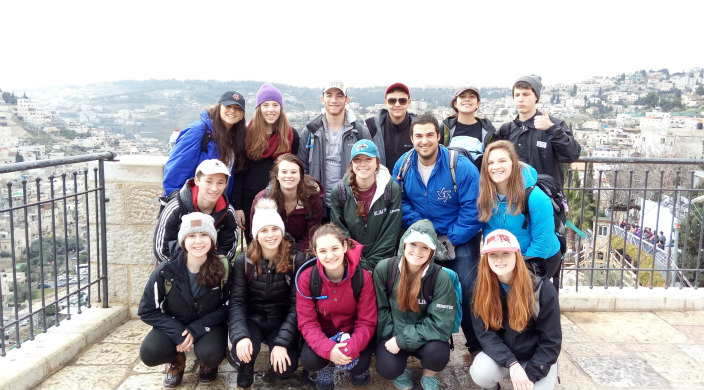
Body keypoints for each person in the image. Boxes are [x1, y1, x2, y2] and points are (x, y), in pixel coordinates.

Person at [392, 113, 483, 353]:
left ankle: (476, 344)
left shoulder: (459, 166)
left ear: (439, 137)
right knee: (418, 284)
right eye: (419, 135)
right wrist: (424, 230)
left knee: (466, 285)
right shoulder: (403, 165)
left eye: (429, 135)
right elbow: (400, 201)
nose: (424, 141)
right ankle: (431, 340)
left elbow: (474, 209)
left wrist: (450, 239)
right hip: (423, 236)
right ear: (411, 138)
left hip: (459, 236)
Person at [138, 212, 230, 388]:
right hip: (176, 323)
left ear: (212, 239)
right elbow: (147, 310)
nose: (198, 241)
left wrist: (197, 329)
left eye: (204, 235)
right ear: (183, 241)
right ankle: (176, 358)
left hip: (208, 324)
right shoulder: (166, 271)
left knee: (210, 354)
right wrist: (177, 332)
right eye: (192, 236)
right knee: (150, 353)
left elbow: (228, 305)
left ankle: (207, 363)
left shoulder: (223, 267)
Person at [228, 198, 307, 388]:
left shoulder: (296, 260)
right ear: (256, 235)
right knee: (243, 351)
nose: (270, 235)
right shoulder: (244, 262)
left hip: (281, 319)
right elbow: (237, 302)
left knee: (285, 369)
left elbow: (298, 306)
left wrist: (281, 342)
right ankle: (246, 365)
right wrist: (240, 337)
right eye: (264, 230)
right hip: (254, 318)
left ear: (282, 231)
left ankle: (277, 349)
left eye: (275, 229)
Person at [470, 229, 561, 390]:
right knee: (480, 372)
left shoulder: (542, 289)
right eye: (493, 255)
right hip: (504, 360)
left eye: (506, 253)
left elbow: (551, 341)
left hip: (536, 358)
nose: (499, 260)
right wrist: (512, 364)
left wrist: (530, 376)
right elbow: (485, 334)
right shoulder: (480, 289)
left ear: (517, 255)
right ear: (485, 258)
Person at [373, 219, 456, 390]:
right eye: (413, 244)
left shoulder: (441, 278)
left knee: (438, 354)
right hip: (393, 333)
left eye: (425, 247)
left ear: (432, 251)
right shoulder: (384, 269)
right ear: (404, 244)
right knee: (387, 368)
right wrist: (393, 337)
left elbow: (441, 323)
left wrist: (403, 340)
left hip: (424, 337)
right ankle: (400, 370)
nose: (417, 251)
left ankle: (429, 375)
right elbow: (380, 310)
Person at [296, 223, 377, 390]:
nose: (330, 256)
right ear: (315, 253)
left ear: (344, 246)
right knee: (310, 360)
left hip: (352, 332)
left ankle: (353, 365)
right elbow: (307, 322)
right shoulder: (307, 279)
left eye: (334, 248)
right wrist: (329, 350)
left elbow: (367, 321)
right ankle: (326, 366)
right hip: (324, 333)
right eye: (323, 251)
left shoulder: (362, 278)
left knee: (359, 365)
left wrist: (351, 348)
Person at [478, 141, 562, 289]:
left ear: (513, 164)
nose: (496, 166)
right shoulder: (485, 197)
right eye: (490, 163)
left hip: (539, 258)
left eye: (502, 161)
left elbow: (543, 242)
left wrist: (518, 270)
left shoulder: (535, 197)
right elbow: (489, 235)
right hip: (505, 258)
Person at [232, 83, 300, 242]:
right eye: (266, 105)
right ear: (259, 108)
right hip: (251, 201)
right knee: (255, 246)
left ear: (281, 108)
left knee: (281, 245)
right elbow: (239, 172)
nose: (271, 109)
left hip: (282, 200)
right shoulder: (246, 136)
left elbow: (295, 170)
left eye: (275, 105)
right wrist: (238, 207)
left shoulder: (291, 136)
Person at [297, 81, 371, 222]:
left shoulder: (360, 132)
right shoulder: (310, 132)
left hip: (351, 207)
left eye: (339, 96)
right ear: (322, 99)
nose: (334, 100)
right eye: (329, 95)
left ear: (346, 100)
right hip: (318, 206)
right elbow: (302, 168)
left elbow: (371, 167)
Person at [494, 75, 581, 185]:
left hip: (545, 195)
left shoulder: (554, 125)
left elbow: (572, 155)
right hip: (514, 195)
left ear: (536, 97)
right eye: (517, 95)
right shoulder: (506, 130)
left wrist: (552, 129)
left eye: (526, 94)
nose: (520, 99)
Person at [330, 139, 402, 271]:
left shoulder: (391, 189)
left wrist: (373, 265)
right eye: (357, 160)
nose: (363, 164)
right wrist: (360, 263)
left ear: (377, 163)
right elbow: (340, 232)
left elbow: (390, 233)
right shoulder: (340, 191)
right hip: (351, 262)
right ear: (351, 163)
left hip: (382, 263)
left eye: (368, 159)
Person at [163, 90, 247, 200]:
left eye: (237, 109)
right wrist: (176, 200)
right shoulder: (199, 130)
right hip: (192, 203)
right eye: (228, 106)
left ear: (242, 115)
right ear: (219, 107)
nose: (232, 111)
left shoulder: (235, 138)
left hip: (217, 205)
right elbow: (176, 169)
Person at [154, 159, 239, 265]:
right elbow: (162, 250)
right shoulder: (175, 208)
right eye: (209, 181)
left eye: (220, 183)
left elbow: (228, 249)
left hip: (211, 270)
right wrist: (190, 270)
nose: (214, 188)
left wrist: (209, 269)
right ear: (197, 181)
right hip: (175, 268)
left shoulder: (227, 212)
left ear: (226, 184)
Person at [250, 153, 323, 253]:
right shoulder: (262, 199)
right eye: (284, 172)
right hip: (270, 250)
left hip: (302, 253)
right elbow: (256, 232)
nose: (289, 176)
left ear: (301, 175)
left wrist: (295, 255)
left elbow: (311, 234)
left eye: (293, 172)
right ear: (277, 175)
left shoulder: (312, 198)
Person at [441, 83, 497, 168]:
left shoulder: (487, 131)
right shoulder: (445, 128)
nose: (467, 99)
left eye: (472, 96)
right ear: (455, 103)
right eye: (462, 96)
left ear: (478, 103)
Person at [367, 82, 416, 170]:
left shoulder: (418, 127)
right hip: (382, 181)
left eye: (402, 101)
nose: (397, 104)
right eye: (392, 101)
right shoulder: (372, 128)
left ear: (409, 102)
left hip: (409, 182)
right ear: (385, 102)